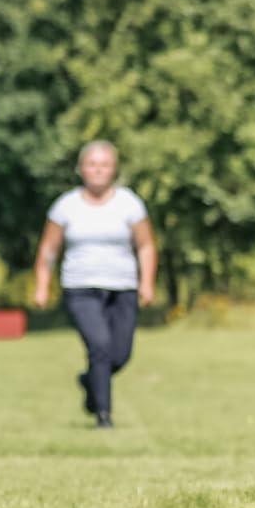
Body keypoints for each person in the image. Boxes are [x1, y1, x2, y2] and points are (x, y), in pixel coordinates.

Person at [33, 141, 157, 429]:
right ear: (81, 168)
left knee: (120, 354)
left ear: (114, 169)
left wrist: (147, 282)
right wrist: (42, 285)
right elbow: (48, 250)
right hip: (81, 287)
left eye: (104, 164)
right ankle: (103, 415)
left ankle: (90, 381)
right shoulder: (66, 206)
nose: (98, 170)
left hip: (123, 286)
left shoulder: (129, 203)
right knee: (99, 346)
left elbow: (146, 245)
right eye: (92, 164)